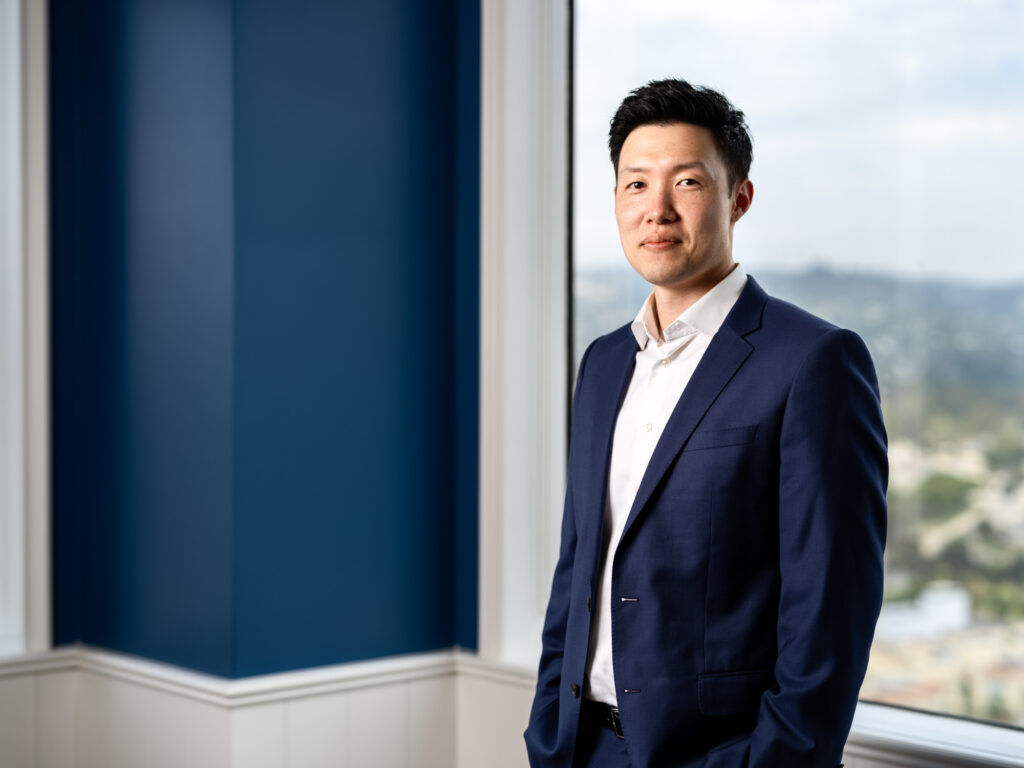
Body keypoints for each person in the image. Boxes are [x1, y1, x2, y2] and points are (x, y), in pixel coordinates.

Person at [523, 79, 887, 768]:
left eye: (686, 181)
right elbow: (580, 567)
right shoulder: (602, 364)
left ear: (738, 198)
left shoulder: (813, 361)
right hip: (581, 749)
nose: (656, 209)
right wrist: (549, 729)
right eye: (635, 185)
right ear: (616, 202)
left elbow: (830, 611)